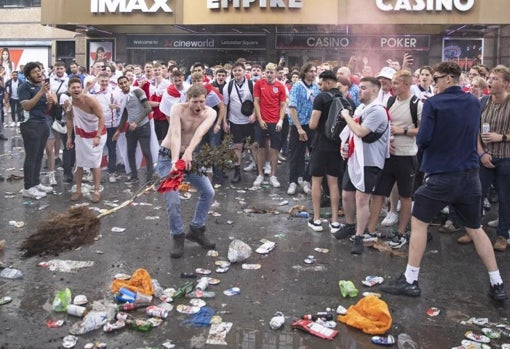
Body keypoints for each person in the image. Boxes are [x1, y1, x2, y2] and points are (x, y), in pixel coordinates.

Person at [380, 61, 508, 302]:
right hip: (470, 176)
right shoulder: (473, 102)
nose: (433, 83)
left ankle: (411, 279)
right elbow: (473, 133)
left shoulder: (434, 104)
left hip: (441, 175)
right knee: (476, 229)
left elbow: (425, 139)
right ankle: (497, 283)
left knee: (418, 221)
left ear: (448, 79)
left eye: (436, 78)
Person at [157, 84, 217, 259]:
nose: (198, 105)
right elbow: (175, 134)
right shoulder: (177, 109)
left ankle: (197, 229)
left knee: (208, 191)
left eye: (201, 101)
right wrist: (175, 161)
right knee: (173, 199)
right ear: (187, 100)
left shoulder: (210, 113)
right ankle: (178, 235)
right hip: (168, 156)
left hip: (190, 158)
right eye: (194, 102)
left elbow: (199, 133)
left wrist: (189, 152)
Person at [366, 70, 422, 249]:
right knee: (379, 194)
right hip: (389, 156)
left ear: (406, 84)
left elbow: (423, 130)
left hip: (407, 157)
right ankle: (371, 230)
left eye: (396, 83)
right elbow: (383, 125)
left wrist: (403, 131)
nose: (393, 86)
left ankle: (401, 233)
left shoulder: (417, 104)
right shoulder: (389, 101)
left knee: (406, 196)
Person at [336, 77, 390, 255]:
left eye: (364, 88)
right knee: (346, 195)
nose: (360, 91)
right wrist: (345, 146)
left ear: (374, 91)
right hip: (355, 159)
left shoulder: (378, 111)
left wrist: (346, 116)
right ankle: (350, 225)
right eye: (359, 88)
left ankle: (360, 236)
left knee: (362, 199)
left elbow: (359, 131)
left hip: (370, 161)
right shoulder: (361, 108)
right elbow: (351, 134)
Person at [477, 65, 510, 252]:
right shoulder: (483, 102)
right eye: (490, 78)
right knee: (477, 195)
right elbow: (476, 131)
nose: (490, 81)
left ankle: (503, 234)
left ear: (506, 83)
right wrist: (481, 153)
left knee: (505, 198)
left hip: (506, 159)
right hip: (485, 158)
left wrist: (502, 137)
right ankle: (475, 230)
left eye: (495, 79)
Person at [308, 70, 346, 233]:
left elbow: (312, 124)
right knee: (333, 182)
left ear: (328, 82)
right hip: (337, 146)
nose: (320, 86)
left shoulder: (321, 98)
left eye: (321, 82)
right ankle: (335, 221)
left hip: (321, 145)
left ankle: (317, 219)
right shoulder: (345, 100)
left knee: (316, 181)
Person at [65, 77, 107, 203]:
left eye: (78, 87)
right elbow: (69, 119)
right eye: (73, 88)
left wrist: (98, 136)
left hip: (96, 134)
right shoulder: (68, 103)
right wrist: (69, 137)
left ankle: (96, 190)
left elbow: (101, 117)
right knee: (79, 162)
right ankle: (78, 190)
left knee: (95, 162)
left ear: (81, 88)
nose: (76, 89)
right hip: (81, 135)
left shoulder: (90, 100)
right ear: (69, 90)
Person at [18, 62, 55, 199]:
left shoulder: (42, 87)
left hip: (43, 122)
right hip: (30, 124)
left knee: (39, 155)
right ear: (28, 75)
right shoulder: (24, 87)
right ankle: (28, 188)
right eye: (34, 72)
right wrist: (41, 93)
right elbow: (27, 106)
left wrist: (50, 101)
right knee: (31, 155)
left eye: (39, 71)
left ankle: (35, 183)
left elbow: (46, 110)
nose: (39, 74)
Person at [113, 75, 154, 184]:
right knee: (130, 152)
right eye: (121, 83)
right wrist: (118, 129)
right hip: (131, 127)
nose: (124, 85)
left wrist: (136, 122)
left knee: (146, 152)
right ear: (118, 85)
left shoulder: (137, 91)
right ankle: (134, 176)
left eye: (125, 82)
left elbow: (148, 108)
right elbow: (125, 113)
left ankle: (150, 178)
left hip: (143, 126)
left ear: (129, 82)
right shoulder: (123, 96)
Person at [287, 62, 320, 195]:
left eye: (314, 71)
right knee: (296, 154)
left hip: (312, 126)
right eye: (310, 71)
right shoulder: (297, 86)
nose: (313, 73)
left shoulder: (317, 88)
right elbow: (292, 108)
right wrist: (299, 128)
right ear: (304, 72)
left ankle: (306, 180)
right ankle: (293, 181)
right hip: (298, 126)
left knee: (313, 155)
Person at [253, 62, 287, 188]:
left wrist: (281, 120)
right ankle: (260, 175)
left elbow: (283, 105)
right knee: (260, 148)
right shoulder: (258, 84)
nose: (269, 74)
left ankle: (273, 175)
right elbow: (256, 102)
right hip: (262, 120)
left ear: (276, 73)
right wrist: (260, 119)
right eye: (267, 71)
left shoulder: (280, 86)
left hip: (275, 121)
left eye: (271, 72)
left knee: (275, 149)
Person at [222, 62, 256, 184]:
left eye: (239, 70)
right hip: (234, 120)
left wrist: (254, 114)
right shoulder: (228, 86)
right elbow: (225, 105)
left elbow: (257, 102)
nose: (237, 72)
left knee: (253, 145)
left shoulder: (252, 84)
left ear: (244, 72)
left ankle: (258, 169)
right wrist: (224, 121)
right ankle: (237, 172)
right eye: (235, 70)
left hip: (249, 120)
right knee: (237, 145)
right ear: (232, 72)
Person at [89, 71, 121, 183]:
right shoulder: (94, 93)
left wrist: (116, 107)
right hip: (98, 126)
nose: (104, 83)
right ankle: (93, 173)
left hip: (111, 125)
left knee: (112, 149)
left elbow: (120, 107)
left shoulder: (114, 93)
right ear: (98, 81)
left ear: (109, 81)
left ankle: (112, 172)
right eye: (102, 81)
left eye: (106, 81)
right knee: (96, 149)